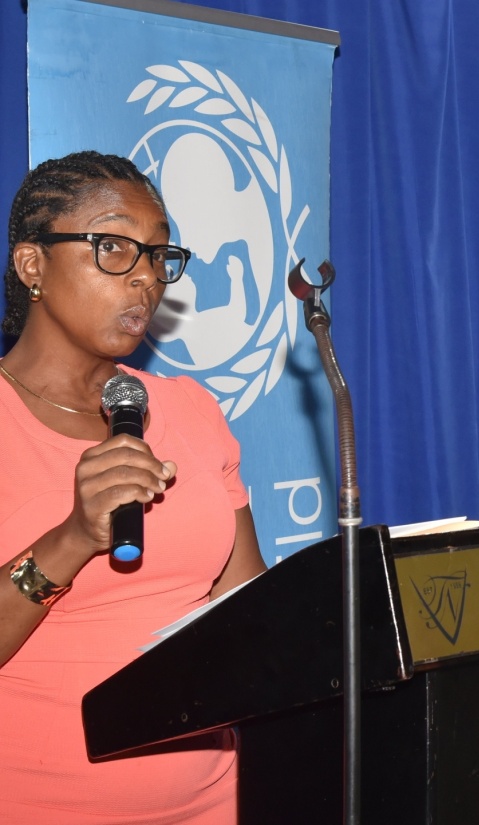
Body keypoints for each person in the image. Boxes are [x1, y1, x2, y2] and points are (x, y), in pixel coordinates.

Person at [0, 151, 266, 823]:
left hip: (216, 803)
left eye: (157, 255)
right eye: (113, 247)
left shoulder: (191, 409)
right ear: (33, 265)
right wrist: (70, 538)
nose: (146, 278)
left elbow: (250, 610)